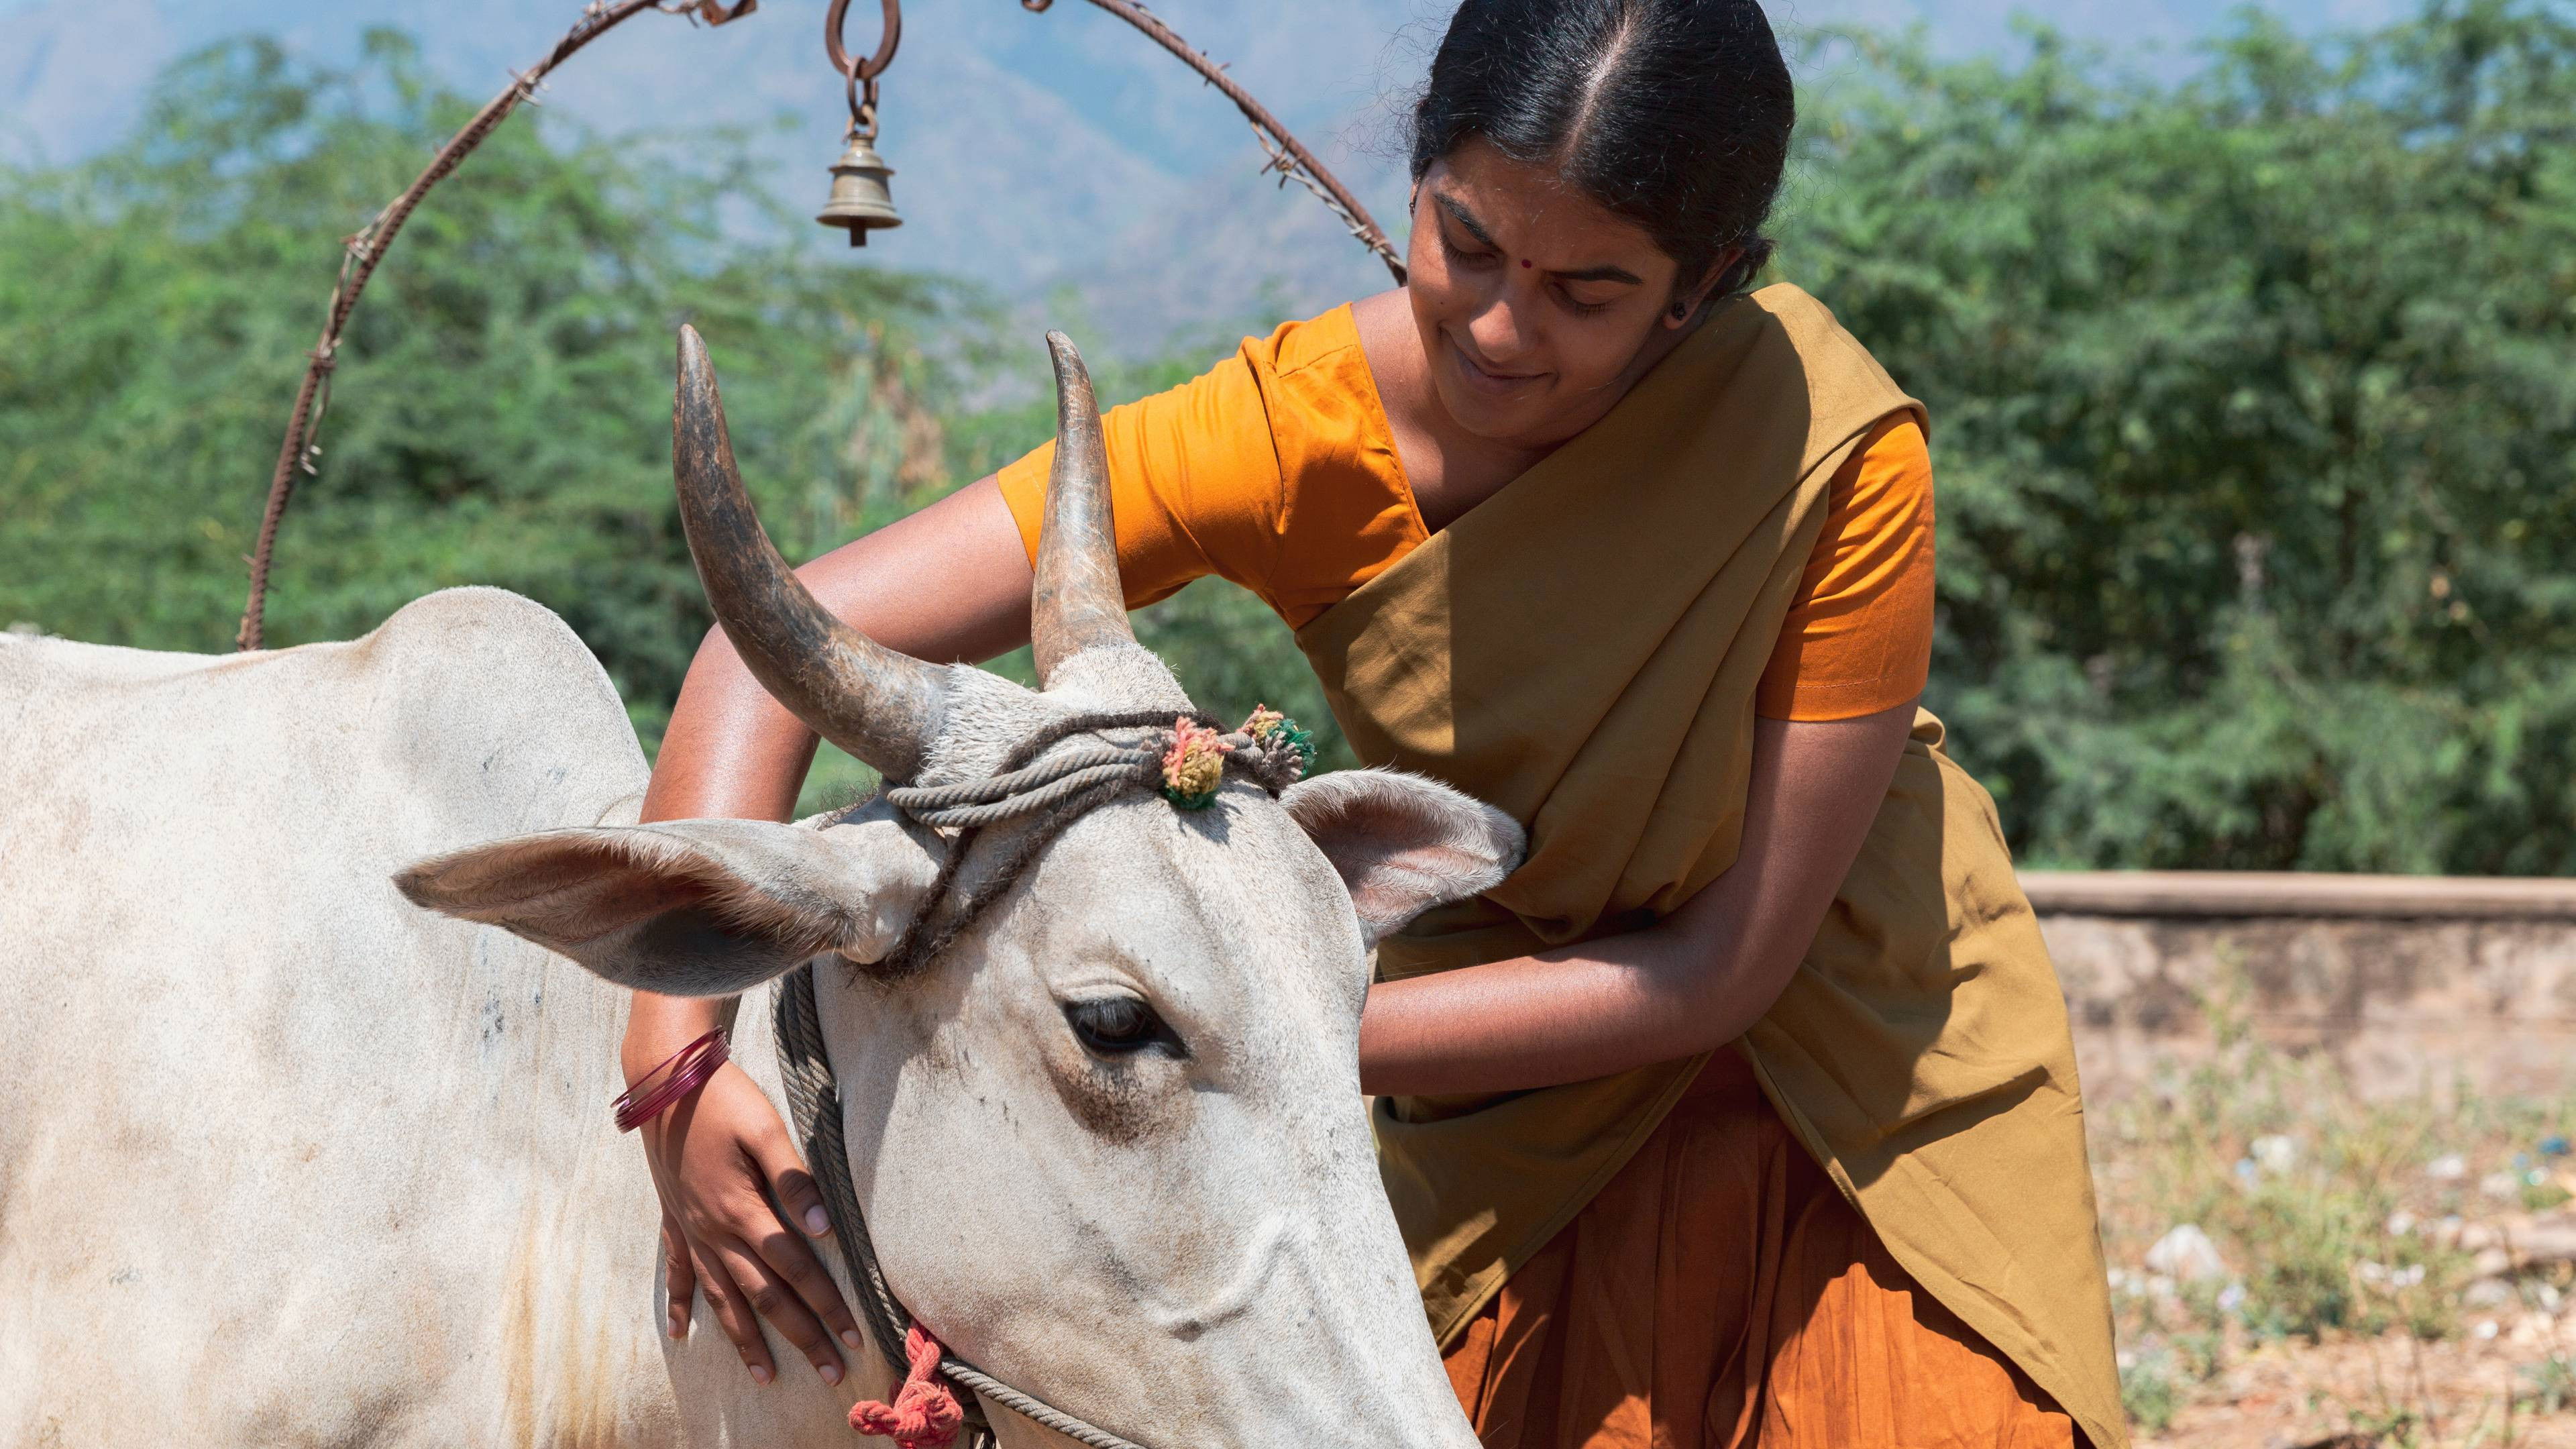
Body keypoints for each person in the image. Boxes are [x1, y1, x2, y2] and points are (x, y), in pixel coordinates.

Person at [623, 0, 2124, 1444]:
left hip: (1867, 1082)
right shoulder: (1294, 433)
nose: (1500, 327)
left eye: (1588, 291)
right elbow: (774, 647)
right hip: (1503, 1116)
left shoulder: (1832, 455)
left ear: (1709, 278)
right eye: (1463, 240)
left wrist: (1223, 1044)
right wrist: (675, 1064)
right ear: (1419, 173)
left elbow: (1720, 969)